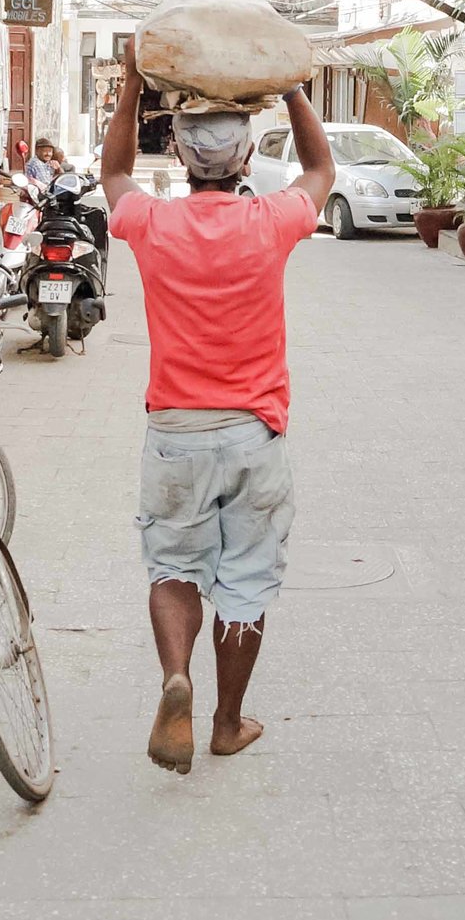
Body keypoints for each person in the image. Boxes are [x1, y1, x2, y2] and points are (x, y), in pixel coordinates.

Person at [99, 39, 331, 773]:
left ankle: (177, 676)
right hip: (254, 434)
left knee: (173, 566)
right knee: (247, 578)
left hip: (174, 433)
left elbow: (112, 171)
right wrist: (292, 87)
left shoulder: (152, 224)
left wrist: (134, 83)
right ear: (243, 158)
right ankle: (227, 722)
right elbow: (322, 169)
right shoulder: (270, 220)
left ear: (180, 153)